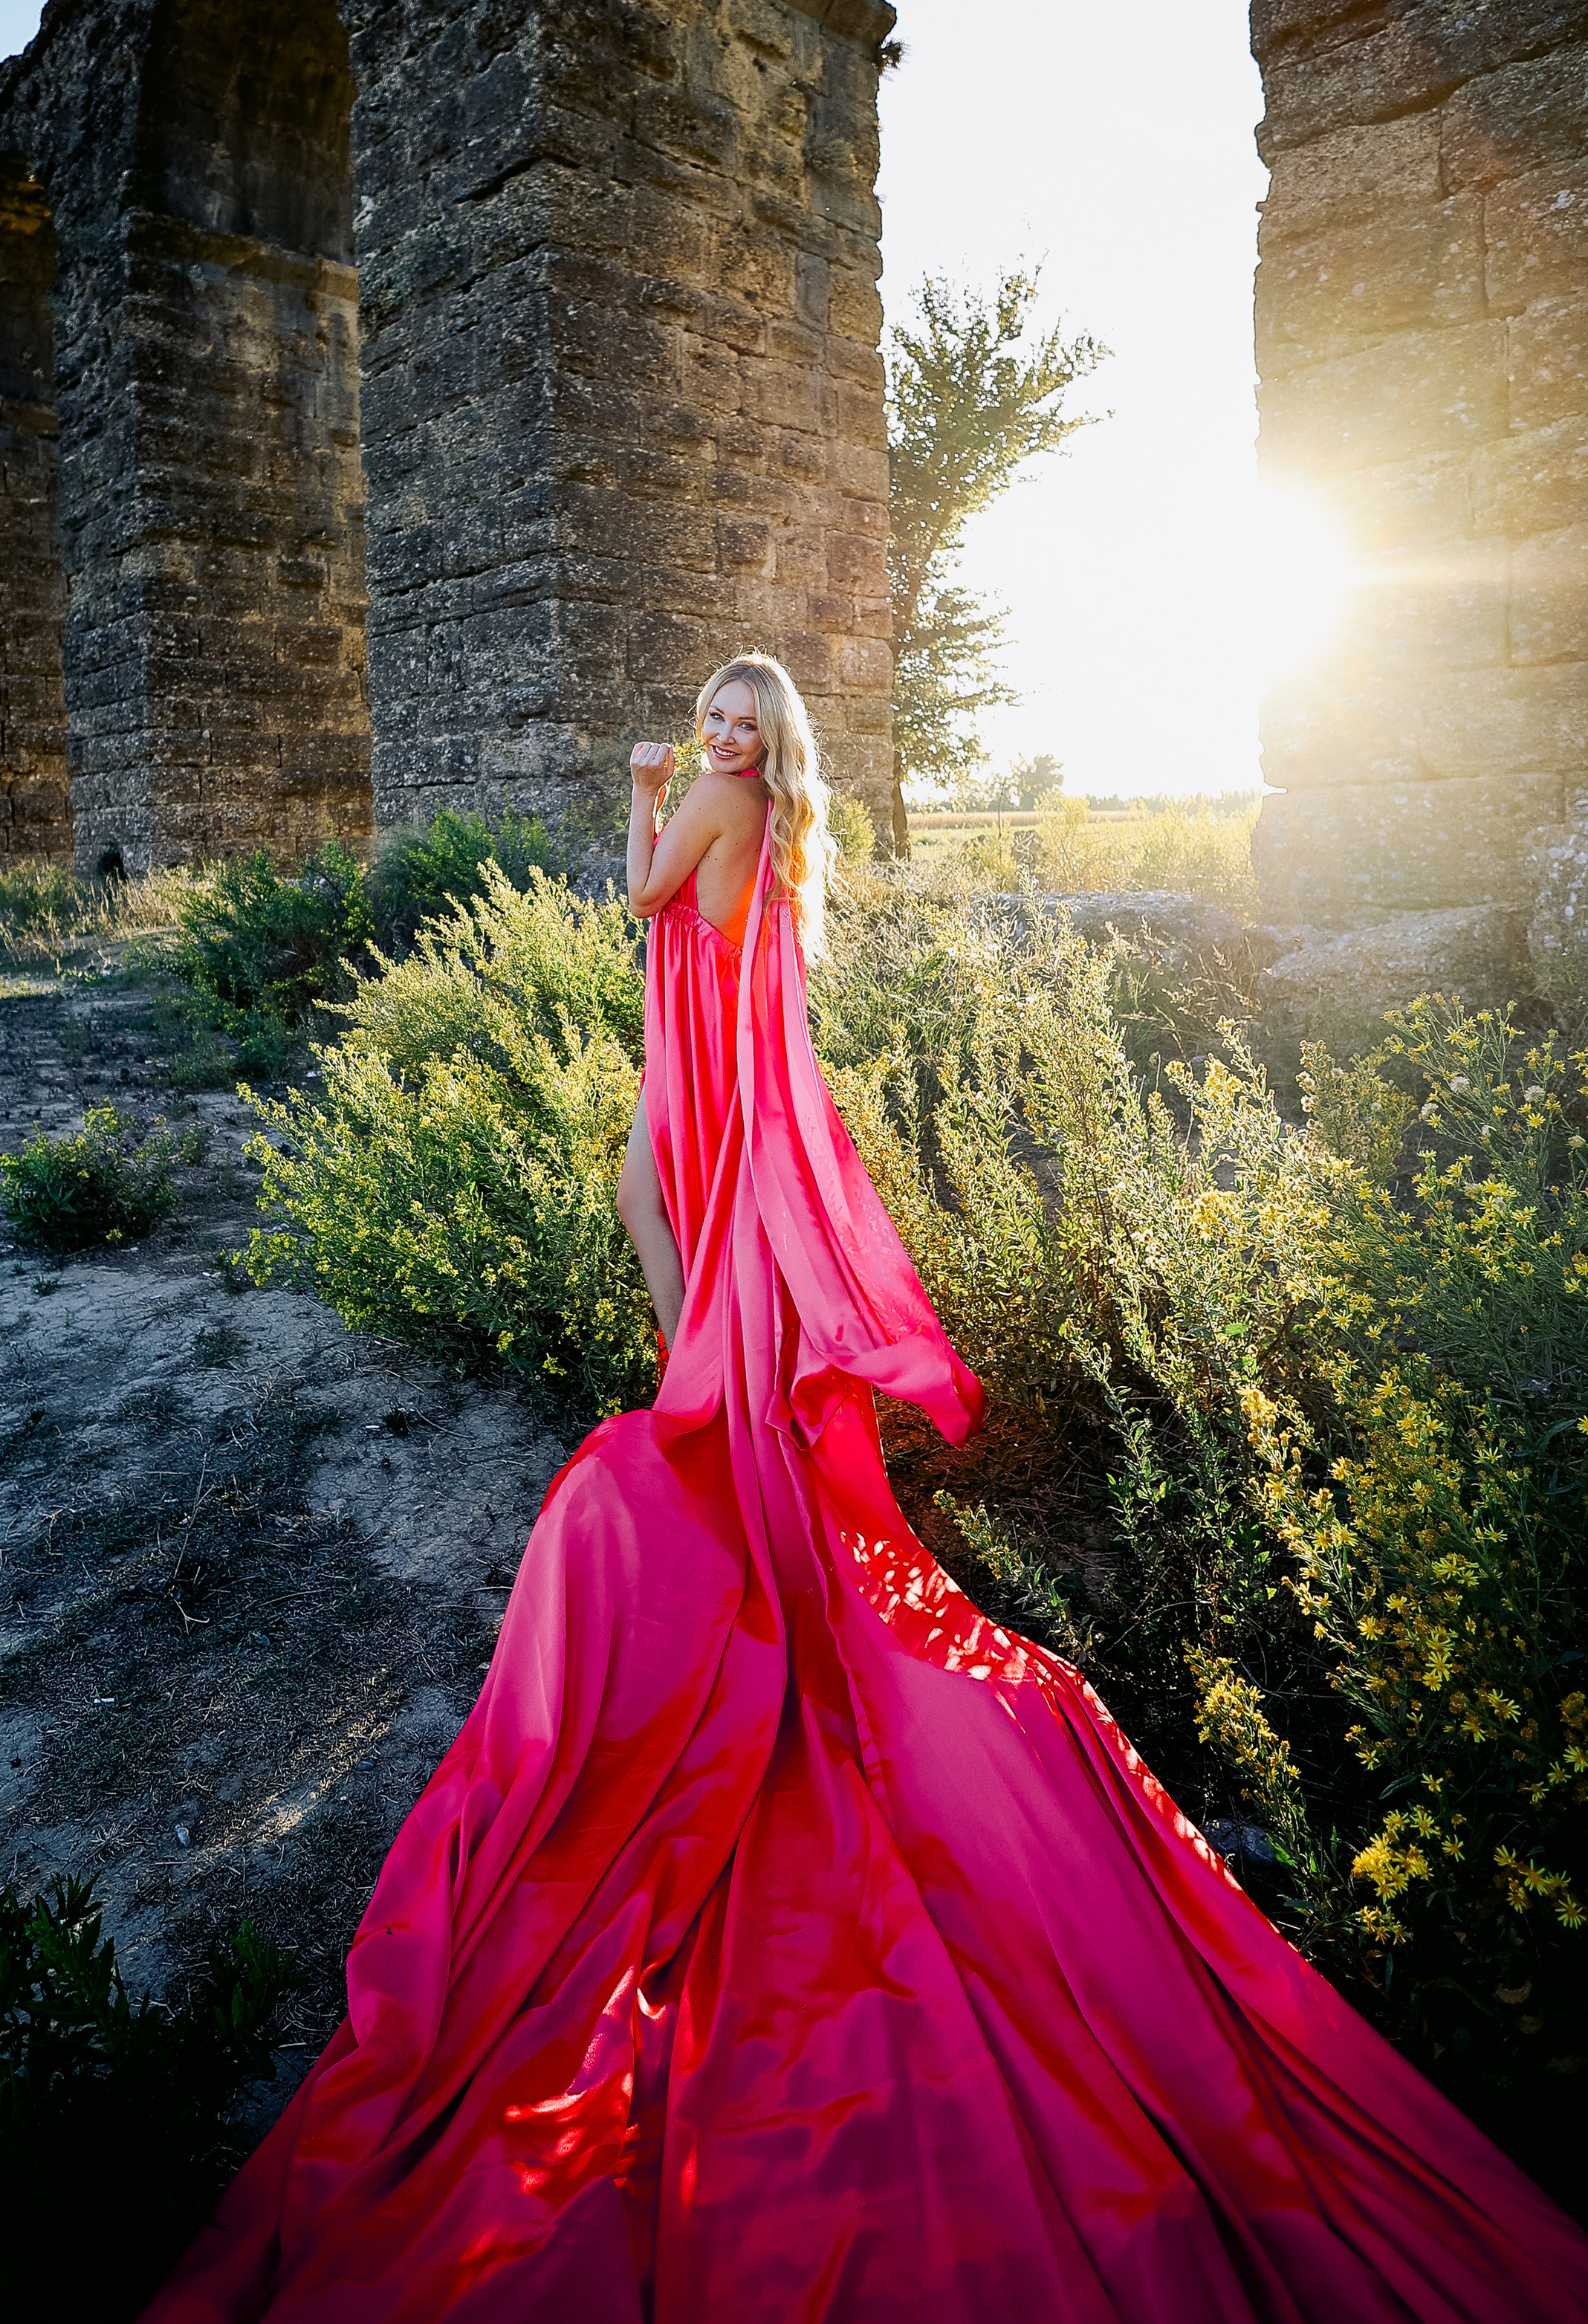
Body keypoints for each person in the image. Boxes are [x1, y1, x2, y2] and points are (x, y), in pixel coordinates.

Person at [143, 653, 1588, 2323]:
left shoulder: (710, 803)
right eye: (715, 717)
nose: (726, 736)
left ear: (768, 746)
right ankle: (705, 1392)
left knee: (645, 1215)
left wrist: (634, 791)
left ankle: (703, 1425)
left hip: (714, 1085)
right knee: (643, 1208)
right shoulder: (773, 814)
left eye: (746, 722)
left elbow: (634, 903)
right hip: (723, 1083)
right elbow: (707, 950)